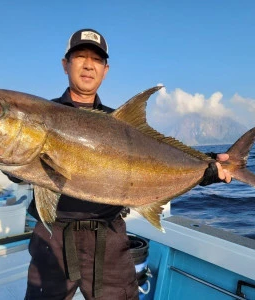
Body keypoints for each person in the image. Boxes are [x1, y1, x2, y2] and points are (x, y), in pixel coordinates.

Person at [20, 29, 231, 299]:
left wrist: (207, 168)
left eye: (96, 60)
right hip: (53, 237)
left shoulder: (121, 123)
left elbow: (157, 161)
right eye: (80, 56)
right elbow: (21, 169)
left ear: (105, 70)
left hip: (109, 236)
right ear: (65, 64)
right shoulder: (40, 114)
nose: (88, 65)